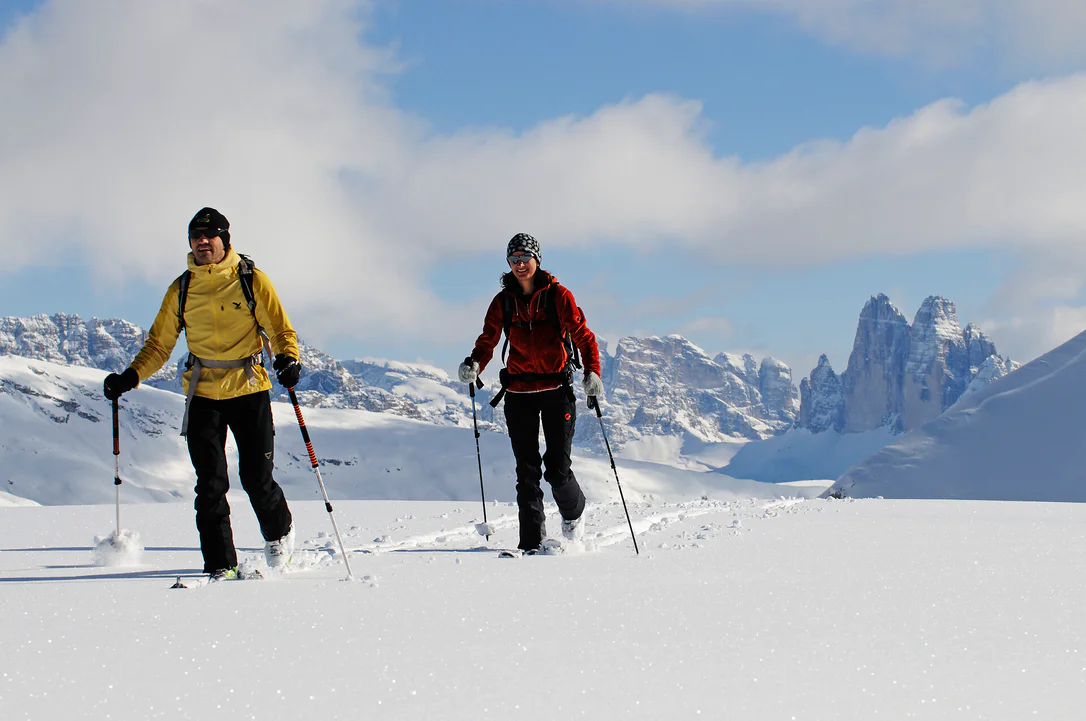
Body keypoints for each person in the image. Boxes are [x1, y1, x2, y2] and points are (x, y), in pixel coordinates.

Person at [102, 207, 302, 579]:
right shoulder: (182, 288)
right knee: (210, 483)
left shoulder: (251, 279)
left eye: (210, 236)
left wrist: (289, 359)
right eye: (196, 236)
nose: (202, 242)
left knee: (257, 477)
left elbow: (280, 330)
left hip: (248, 388)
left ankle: (279, 533)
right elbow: (159, 345)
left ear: (225, 240)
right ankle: (220, 564)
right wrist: (130, 376)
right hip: (203, 393)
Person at [459, 233, 604, 553]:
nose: (519, 264)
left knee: (556, 468)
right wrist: (475, 364)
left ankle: (574, 514)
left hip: (557, 391)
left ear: (537, 259)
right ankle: (531, 544)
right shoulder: (503, 302)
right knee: (526, 471)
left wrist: (593, 373)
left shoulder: (559, 296)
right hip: (519, 392)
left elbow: (585, 337)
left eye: (524, 257)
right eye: (513, 260)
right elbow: (488, 341)